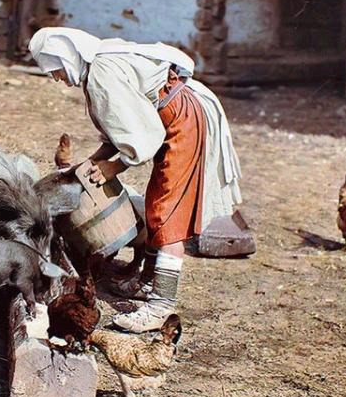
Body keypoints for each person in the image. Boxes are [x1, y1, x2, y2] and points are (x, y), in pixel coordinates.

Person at [28, 27, 244, 333]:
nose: (58, 78)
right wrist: (95, 159)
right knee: (159, 203)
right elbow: (120, 125)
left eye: (57, 69)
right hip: (172, 114)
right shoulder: (98, 67)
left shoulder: (102, 72)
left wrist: (111, 169)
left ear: (68, 56)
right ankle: (145, 281)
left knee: (167, 211)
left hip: (182, 120)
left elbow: (141, 139)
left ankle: (161, 306)